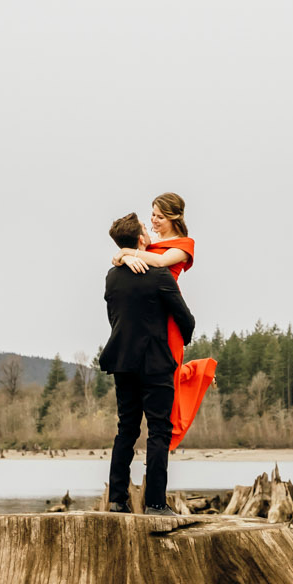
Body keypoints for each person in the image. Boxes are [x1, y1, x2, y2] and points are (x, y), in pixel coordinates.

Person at [99, 211, 195, 515]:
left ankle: (117, 499)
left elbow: (114, 317)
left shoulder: (112, 276)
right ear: (142, 239)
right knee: (158, 431)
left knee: (126, 428)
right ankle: (155, 503)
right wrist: (183, 338)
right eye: (145, 226)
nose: (149, 229)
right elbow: (186, 319)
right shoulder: (159, 276)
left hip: (122, 362)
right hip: (155, 363)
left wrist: (123, 257)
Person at [111, 192, 218, 448]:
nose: (154, 220)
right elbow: (130, 257)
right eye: (152, 215)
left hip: (168, 313)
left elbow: (158, 262)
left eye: (159, 216)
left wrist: (126, 252)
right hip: (146, 316)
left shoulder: (183, 245)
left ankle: (200, 373)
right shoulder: (148, 244)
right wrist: (124, 256)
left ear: (174, 217)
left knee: (166, 372)